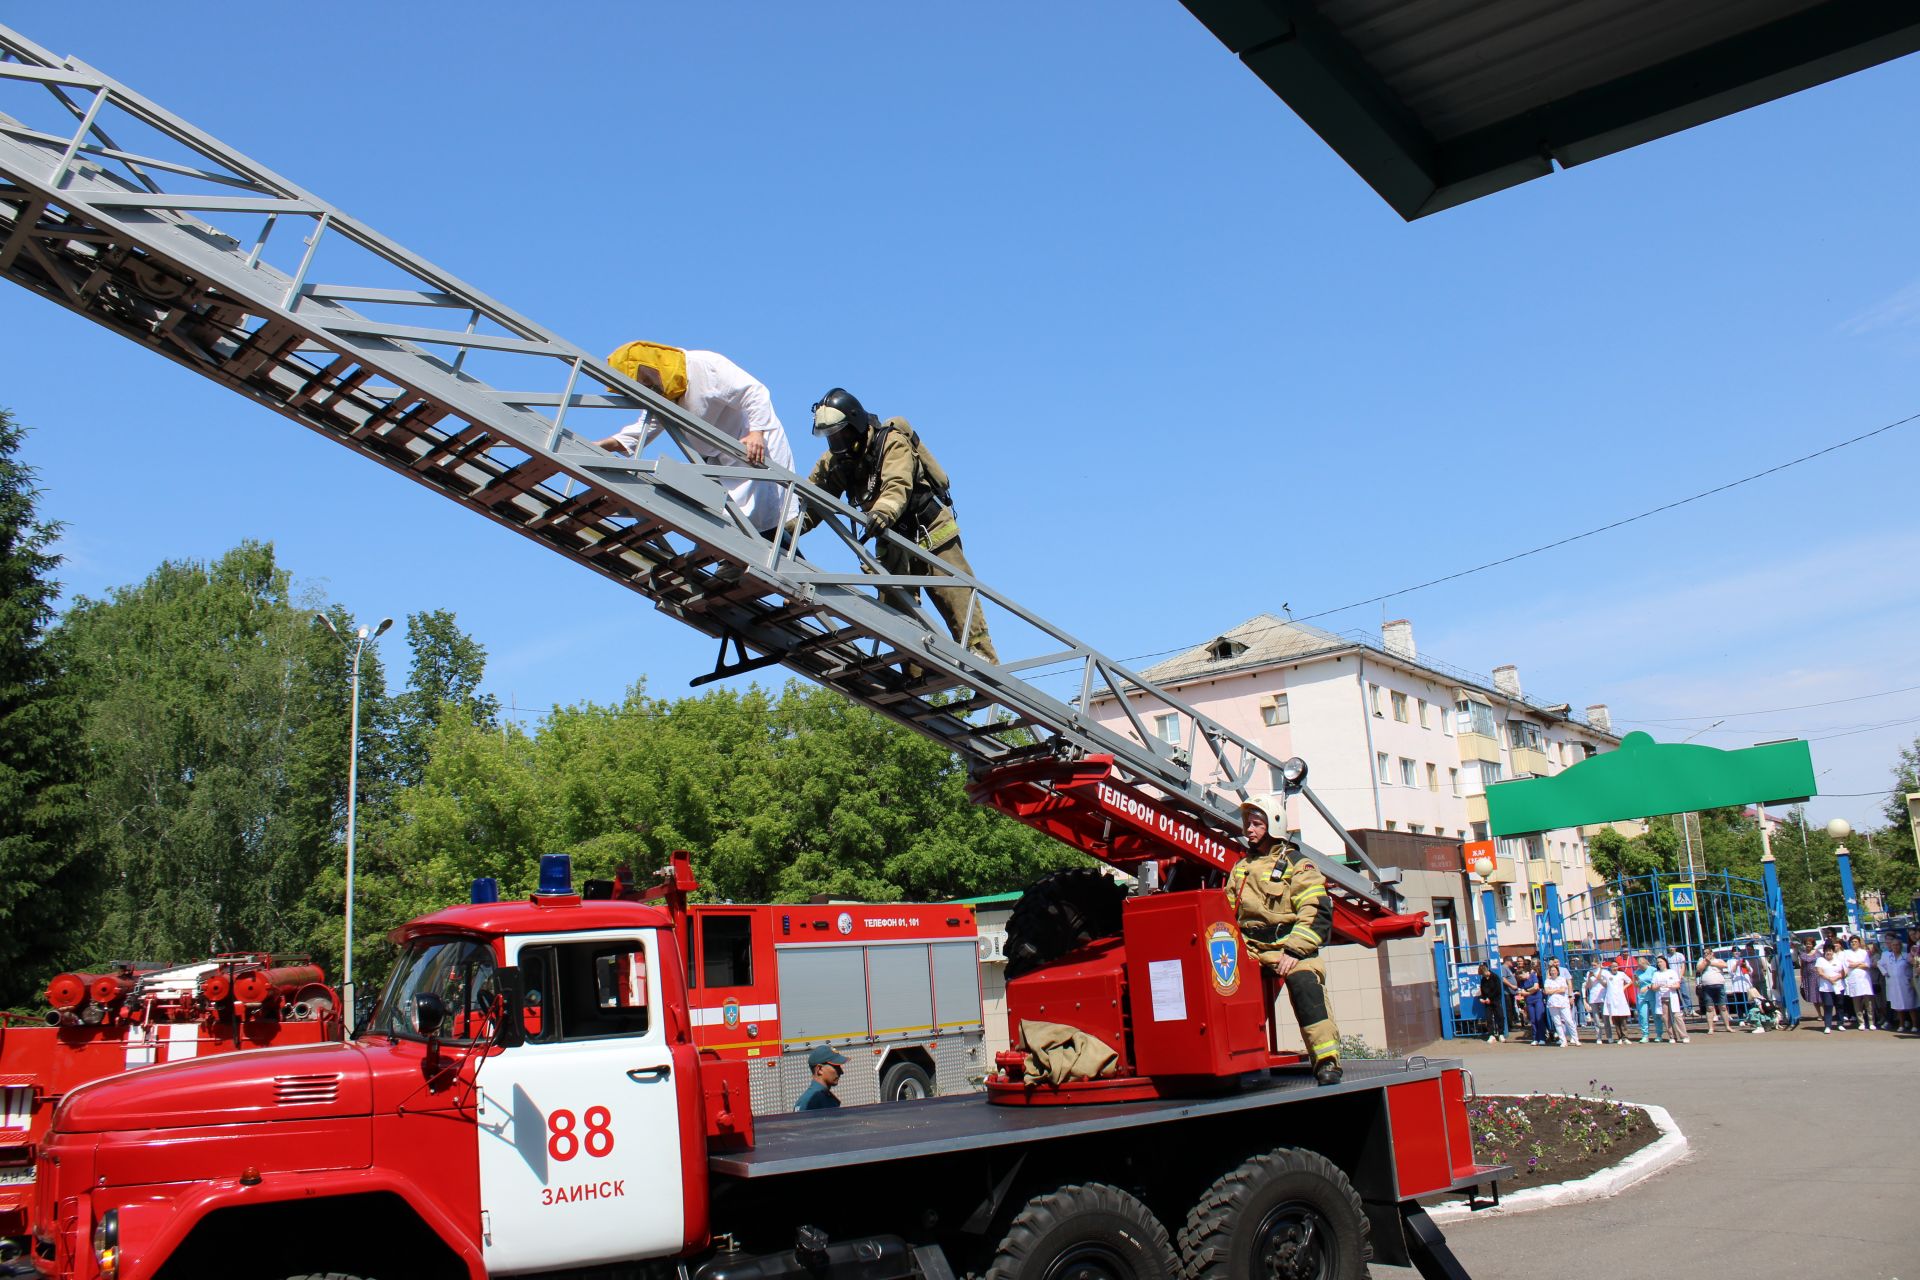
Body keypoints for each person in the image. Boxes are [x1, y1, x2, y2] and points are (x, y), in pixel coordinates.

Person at [797, 388, 996, 663]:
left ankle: (982, 660)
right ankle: (915, 673)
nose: (836, 441)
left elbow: (896, 485)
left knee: (957, 600)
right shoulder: (835, 463)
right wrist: (785, 529)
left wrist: (881, 512)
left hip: (930, 531)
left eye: (840, 433)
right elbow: (812, 503)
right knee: (897, 614)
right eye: (830, 436)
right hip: (892, 541)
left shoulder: (891, 442)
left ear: (855, 425)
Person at [598, 341, 797, 535]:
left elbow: (754, 391)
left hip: (751, 443)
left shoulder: (706, 365)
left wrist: (757, 432)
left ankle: (765, 561)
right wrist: (604, 445)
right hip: (718, 458)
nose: (645, 386)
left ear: (651, 365)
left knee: (760, 521)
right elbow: (645, 427)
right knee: (729, 521)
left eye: (643, 379)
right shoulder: (664, 394)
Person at [1229, 794, 1341, 1084]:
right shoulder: (1241, 868)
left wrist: (1294, 951)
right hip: (1251, 950)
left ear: (1274, 826)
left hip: (1290, 949)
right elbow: (1227, 911)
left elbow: (1316, 911)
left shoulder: (1298, 866)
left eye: (1256, 824)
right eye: (1247, 824)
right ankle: (1235, 1062)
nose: (1249, 830)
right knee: (1224, 988)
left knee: (1306, 988)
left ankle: (1326, 1060)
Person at [794, 1044, 849, 1110]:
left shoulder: (821, 1097)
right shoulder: (810, 1101)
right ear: (819, 1069)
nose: (841, 1072)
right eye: (836, 1067)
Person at [1879, 937, 1916, 1033]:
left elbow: (1914, 964)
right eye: (1893, 945)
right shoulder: (1888, 956)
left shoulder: (1906, 956)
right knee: (1898, 1006)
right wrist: (1885, 973)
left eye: (1897, 945)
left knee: (1911, 1005)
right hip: (1894, 985)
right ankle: (1901, 1025)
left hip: (1906, 983)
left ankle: (1915, 1025)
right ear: (1891, 946)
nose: (1895, 947)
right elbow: (1879, 963)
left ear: (1901, 946)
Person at [1695, 949, 1735, 1034]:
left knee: (1723, 1006)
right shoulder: (1702, 961)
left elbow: (1725, 965)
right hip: (1707, 987)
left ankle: (1727, 1026)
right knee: (1709, 1008)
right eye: (1705, 953)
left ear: (1712, 953)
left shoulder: (1718, 960)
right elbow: (1699, 969)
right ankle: (1710, 1028)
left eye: (1708, 953)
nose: (1706, 954)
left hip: (1719, 985)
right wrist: (1706, 961)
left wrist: (1711, 963)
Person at [1651, 955, 1690, 1043]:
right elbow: (1653, 987)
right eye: (1658, 962)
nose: (1659, 963)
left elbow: (1677, 985)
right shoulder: (1656, 974)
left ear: (1665, 962)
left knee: (1677, 1016)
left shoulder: (1672, 972)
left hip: (1672, 996)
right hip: (1662, 998)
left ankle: (1684, 1036)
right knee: (1666, 1018)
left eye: (1661, 961)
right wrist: (1658, 985)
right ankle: (1672, 1036)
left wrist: (1670, 986)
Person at [1840, 935, 1875, 1030]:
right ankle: (1861, 1023)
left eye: (1855, 941)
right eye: (1852, 942)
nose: (1853, 943)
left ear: (1859, 943)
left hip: (1865, 979)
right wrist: (1860, 963)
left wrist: (1855, 964)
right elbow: (1847, 965)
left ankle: (1871, 1022)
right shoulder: (1846, 953)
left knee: (1869, 1003)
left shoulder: (1864, 952)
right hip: (1853, 979)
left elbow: (1867, 965)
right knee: (1857, 1003)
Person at [1543, 957, 1578, 1047]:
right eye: (1551, 971)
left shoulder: (1562, 978)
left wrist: (1553, 990)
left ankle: (1576, 1039)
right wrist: (1556, 989)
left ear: (1557, 971)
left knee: (1569, 1020)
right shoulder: (1548, 980)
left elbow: (1563, 989)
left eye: (1554, 970)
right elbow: (1547, 991)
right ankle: (1563, 1040)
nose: (1553, 972)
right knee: (1557, 1022)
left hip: (1563, 1002)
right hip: (1552, 1003)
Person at [1814, 942, 1846, 1034]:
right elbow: (1820, 972)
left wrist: (1837, 977)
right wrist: (1829, 979)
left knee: (1840, 1005)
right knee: (1828, 1005)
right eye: (1827, 951)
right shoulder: (1820, 960)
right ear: (1824, 952)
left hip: (1838, 986)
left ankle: (1840, 1024)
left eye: (1830, 950)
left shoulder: (1838, 960)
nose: (1829, 952)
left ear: (1833, 951)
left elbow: (1844, 973)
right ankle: (1827, 1025)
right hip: (1825, 988)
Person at [1604, 960, 1634, 1045]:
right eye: (1613, 966)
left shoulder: (1621, 974)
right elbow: (1600, 974)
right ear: (1610, 967)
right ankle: (1619, 1037)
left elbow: (1630, 981)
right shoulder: (1607, 974)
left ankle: (1625, 1037)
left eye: (1616, 966)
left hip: (1620, 998)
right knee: (1615, 1019)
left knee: (1623, 1019)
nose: (1614, 968)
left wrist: (1624, 987)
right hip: (1612, 999)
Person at [1477, 961, 1507, 1043]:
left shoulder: (1495, 977)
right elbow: (1483, 990)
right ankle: (1491, 1035)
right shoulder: (1483, 980)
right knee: (1488, 1018)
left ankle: (1501, 1033)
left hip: (1496, 1000)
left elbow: (1497, 990)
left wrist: (1490, 998)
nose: (1483, 975)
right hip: (1487, 1002)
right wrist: (1482, 998)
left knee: (1500, 1016)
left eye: (1483, 973)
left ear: (1486, 971)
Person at [1584, 961, 1614, 1044]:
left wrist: (1599, 976)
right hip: (1593, 997)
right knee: (1596, 1018)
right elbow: (1588, 986)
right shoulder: (1589, 973)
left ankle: (1609, 1036)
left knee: (1606, 1018)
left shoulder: (1605, 972)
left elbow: (1607, 984)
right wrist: (1590, 977)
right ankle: (1599, 1037)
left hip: (1603, 996)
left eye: (1595, 964)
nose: (1593, 966)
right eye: (1592, 964)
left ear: (1599, 964)